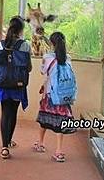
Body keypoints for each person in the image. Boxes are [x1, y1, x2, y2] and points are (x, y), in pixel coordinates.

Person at [33, 31, 76, 163]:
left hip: (50, 94)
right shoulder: (67, 58)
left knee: (44, 117)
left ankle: (40, 143)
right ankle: (59, 151)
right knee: (60, 122)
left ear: (51, 43)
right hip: (64, 95)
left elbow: (43, 72)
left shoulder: (47, 57)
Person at [0, 16, 32, 159]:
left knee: (5, 113)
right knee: (13, 113)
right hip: (18, 85)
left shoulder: (1, 44)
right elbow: (28, 68)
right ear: (21, 30)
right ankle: (8, 141)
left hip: (3, 84)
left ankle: (4, 147)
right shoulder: (25, 45)